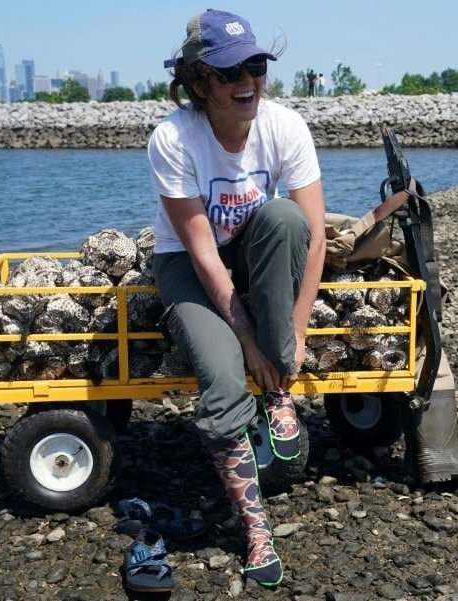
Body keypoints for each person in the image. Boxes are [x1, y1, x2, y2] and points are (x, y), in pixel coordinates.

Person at [149, 9, 326, 587]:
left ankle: (281, 398)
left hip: (254, 248)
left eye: (255, 65)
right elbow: (200, 250)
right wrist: (245, 339)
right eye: (230, 73)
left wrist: (292, 336)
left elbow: (315, 233)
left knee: (282, 216)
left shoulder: (285, 126)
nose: (247, 80)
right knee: (224, 380)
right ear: (200, 84)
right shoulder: (173, 138)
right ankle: (254, 528)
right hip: (187, 263)